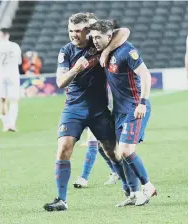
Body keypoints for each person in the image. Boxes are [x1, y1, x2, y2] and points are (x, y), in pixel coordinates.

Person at [43, 13, 130, 211]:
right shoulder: (66, 51)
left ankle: (129, 189)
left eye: (78, 31)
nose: (73, 35)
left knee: (112, 151)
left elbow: (124, 31)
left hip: (99, 109)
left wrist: (106, 53)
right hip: (73, 108)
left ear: (87, 30)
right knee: (64, 147)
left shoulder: (97, 45)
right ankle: (61, 200)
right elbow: (59, 82)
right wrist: (75, 69)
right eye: (70, 31)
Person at [89, 20, 157, 207]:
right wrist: (103, 50)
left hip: (135, 107)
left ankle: (148, 186)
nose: (94, 40)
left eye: (98, 37)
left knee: (126, 150)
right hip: (119, 111)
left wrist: (142, 102)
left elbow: (145, 75)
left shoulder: (127, 51)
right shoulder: (104, 50)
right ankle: (134, 194)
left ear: (110, 37)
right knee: (120, 152)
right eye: (93, 37)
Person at [73, 13, 119, 188]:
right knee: (101, 146)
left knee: (93, 142)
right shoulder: (83, 50)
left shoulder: (103, 46)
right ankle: (117, 170)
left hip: (101, 102)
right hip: (85, 101)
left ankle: (83, 178)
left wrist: (106, 50)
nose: (91, 34)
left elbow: (124, 31)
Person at [0, 28, 22, 132]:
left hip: (0, 75)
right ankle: (12, 124)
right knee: (14, 100)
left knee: (3, 100)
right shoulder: (15, 46)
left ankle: (5, 125)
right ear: (7, 35)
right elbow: (19, 62)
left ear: (1, 35)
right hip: (13, 75)